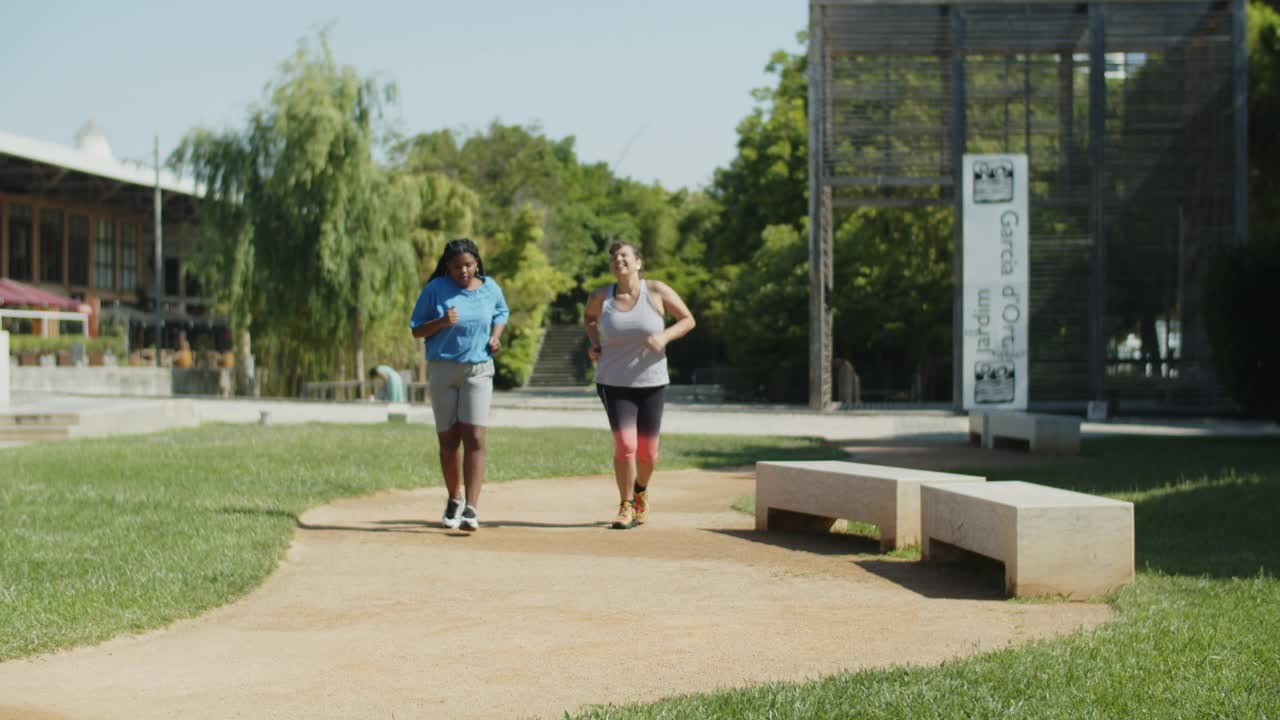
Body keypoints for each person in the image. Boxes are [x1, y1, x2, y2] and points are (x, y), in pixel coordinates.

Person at [584, 241, 695, 529]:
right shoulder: (600, 296)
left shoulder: (656, 291)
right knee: (626, 445)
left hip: (652, 382)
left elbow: (688, 320)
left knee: (649, 452)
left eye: (624, 256)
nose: (618, 260)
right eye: (614, 257)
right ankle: (625, 505)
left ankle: (640, 491)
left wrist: (664, 337)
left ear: (638, 262)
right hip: (613, 381)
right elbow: (589, 319)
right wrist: (594, 344)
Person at [410, 238, 509, 531]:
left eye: (467, 265)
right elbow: (416, 329)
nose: (462, 271)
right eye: (456, 266)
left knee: (475, 435)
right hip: (443, 368)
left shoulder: (490, 287)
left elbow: (501, 312)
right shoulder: (435, 289)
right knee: (449, 439)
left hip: (478, 369)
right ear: (448, 267)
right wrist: (441, 322)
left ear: (476, 263)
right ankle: (454, 498)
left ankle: (471, 508)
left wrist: (496, 335)